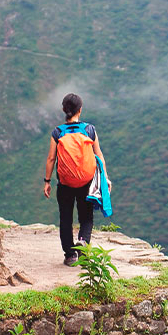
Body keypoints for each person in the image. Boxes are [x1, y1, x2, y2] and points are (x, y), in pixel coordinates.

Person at [43, 93, 111, 266]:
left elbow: (51, 159)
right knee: (86, 217)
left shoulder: (57, 133)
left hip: (65, 184)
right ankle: (83, 243)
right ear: (80, 110)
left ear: (63, 110)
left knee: (65, 218)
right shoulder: (90, 130)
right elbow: (99, 154)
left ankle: (70, 255)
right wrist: (105, 178)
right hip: (86, 182)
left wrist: (47, 181)